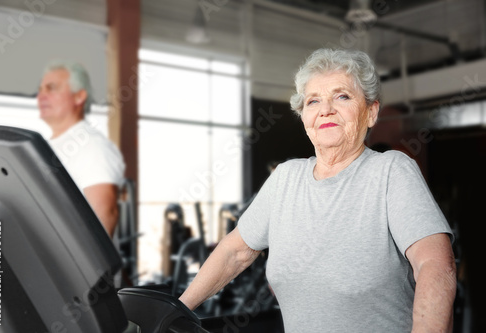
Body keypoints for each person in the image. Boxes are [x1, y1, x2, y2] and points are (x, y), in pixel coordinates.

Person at [179, 48, 456, 332]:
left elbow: (435, 266)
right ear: (303, 117)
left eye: (342, 96)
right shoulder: (286, 178)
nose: (326, 109)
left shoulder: (390, 172)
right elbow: (234, 253)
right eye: (313, 101)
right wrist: (178, 309)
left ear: (371, 112)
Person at [37, 60, 125, 238]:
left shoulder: (93, 146)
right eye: (40, 90)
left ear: (79, 97)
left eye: (51, 88)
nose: (41, 96)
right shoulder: (44, 146)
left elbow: (104, 215)